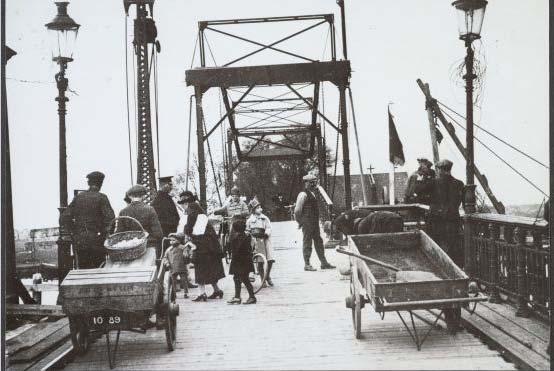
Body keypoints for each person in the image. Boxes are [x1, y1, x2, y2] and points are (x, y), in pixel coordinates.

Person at [417, 159, 465, 267]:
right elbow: (460, 201)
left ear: (439, 170)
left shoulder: (434, 182)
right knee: (452, 246)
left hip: (436, 220)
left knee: (436, 245)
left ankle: (440, 268)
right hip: (452, 219)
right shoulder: (459, 183)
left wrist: (421, 178)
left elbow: (418, 191)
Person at [62, 171, 115, 269]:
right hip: (97, 241)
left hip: (80, 241)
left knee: (83, 270)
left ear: (88, 183)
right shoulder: (102, 198)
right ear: (101, 183)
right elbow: (111, 220)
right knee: (98, 270)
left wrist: (74, 232)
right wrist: (106, 236)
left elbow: (64, 217)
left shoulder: (78, 197)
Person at [180, 191, 225, 302]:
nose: (183, 206)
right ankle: (217, 290)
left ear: (186, 202)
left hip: (202, 243)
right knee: (210, 266)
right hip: (210, 243)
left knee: (200, 266)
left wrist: (186, 231)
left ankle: (202, 293)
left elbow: (190, 223)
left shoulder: (191, 208)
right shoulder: (198, 207)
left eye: (182, 203)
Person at [294, 174, 335, 271]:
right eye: (311, 182)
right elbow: (297, 211)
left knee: (318, 241)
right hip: (307, 222)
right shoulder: (303, 194)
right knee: (307, 242)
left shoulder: (313, 194)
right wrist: (300, 221)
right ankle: (307, 264)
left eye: (314, 182)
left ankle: (323, 262)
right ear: (306, 183)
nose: (313, 184)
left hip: (314, 222)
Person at [116, 185, 163, 253]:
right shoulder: (150, 209)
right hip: (147, 246)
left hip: (129, 248)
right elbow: (158, 234)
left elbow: (119, 234)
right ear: (143, 196)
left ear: (130, 196)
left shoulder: (123, 212)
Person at [246, 198, 275, 286]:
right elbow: (247, 230)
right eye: (258, 208)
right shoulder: (250, 220)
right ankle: (263, 279)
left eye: (260, 207)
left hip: (265, 240)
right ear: (253, 210)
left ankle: (268, 275)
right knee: (260, 261)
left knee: (270, 259)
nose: (260, 209)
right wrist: (250, 236)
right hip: (256, 241)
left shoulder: (264, 218)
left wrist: (266, 233)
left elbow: (269, 227)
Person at [227, 220, 257, 305]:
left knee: (244, 279)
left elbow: (235, 251)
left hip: (239, 262)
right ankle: (237, 297)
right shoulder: (246, 236)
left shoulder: (236, 238)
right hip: (245, 261)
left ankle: (252, 297)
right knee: (238, 278)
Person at [162, 233, 190, 298]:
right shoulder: (169, 249)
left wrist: (186, 256)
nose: (171, 242)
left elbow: (187, 256)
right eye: (170, 240)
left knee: (184, 280)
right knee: (173, 281)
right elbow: (165, 257)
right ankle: (174, 293)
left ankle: (186, 292)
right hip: (172, 267)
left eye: (173, 240)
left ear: (179, 240)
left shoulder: (183, 248)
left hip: (181, 267)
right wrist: (167, 263)